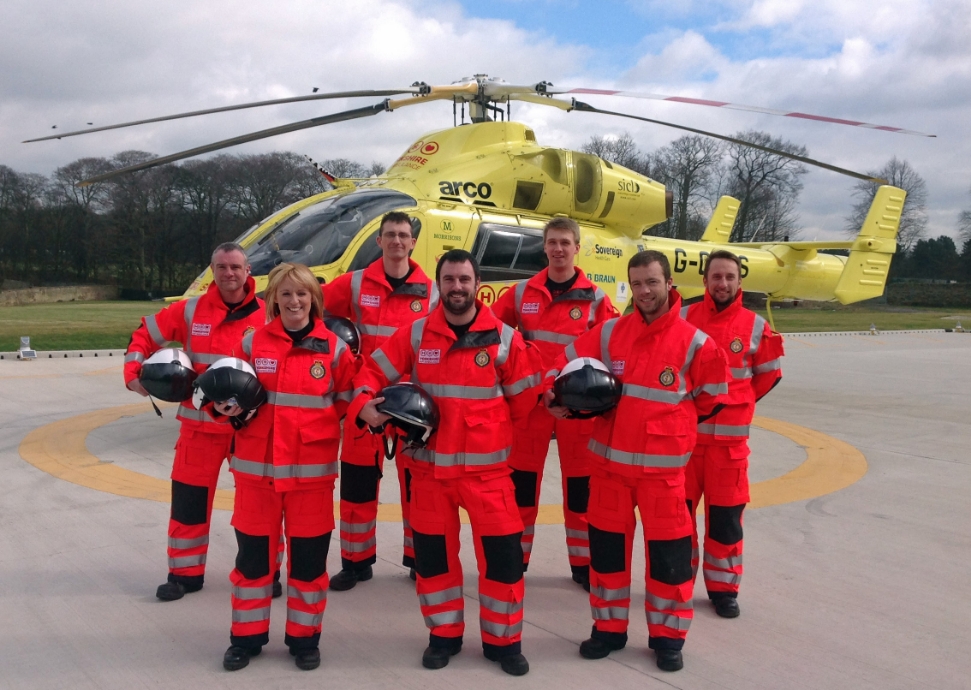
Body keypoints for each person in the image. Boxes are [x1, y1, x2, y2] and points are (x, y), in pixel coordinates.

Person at [349, 250, 541, 676]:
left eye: (465, 279)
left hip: (488, 476)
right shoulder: (416, 335)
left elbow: (524, 400)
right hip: (428, 473)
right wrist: (364, 405)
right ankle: (443, 636)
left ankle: (503, 642)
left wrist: (488, 432)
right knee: (434, 561)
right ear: (439, 285)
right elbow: (369, 374)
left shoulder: (504, 339)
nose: (457, 287)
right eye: (450, 279)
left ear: (477, 284)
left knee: (504, 561)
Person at [548, 250, 730, 672]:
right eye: (637, 284)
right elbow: (562, 362)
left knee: (669, 561)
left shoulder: (696, 343)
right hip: (609, 473)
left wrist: (670, 431)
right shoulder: (610, 333)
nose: (644, 291)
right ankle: (607, 630)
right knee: (607, 559)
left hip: (664, 478)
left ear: (669, 284)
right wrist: (551, 393)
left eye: (652, 282)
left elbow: (711, 399)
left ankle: (668, 638)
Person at [219, 262, 358, 671]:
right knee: (253, 563)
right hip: (257, 475)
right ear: (273, 299)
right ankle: (245, 639)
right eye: (285, 294)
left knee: (309, 565)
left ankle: (304, 639)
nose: (294, 301)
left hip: (310, 479)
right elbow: (225, 393)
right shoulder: (251, 344)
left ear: (314, 299)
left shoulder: (333, 349)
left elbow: (351, 399)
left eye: (302, 294)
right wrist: (222, 409)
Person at [124, 242, 265, 601]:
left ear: (248, 271)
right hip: (198, 429)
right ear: (212, 271)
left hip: (247, 429)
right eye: (221, 267)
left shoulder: (269, 314)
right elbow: (144, 332)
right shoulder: (189, 311)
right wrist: (133, 371)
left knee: (257, 506)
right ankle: (184, 573)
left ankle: (263, 570)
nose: (229, 273)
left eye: (235, 267)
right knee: (188, 502)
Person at [492, 217, 617, 590]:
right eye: (552, 242)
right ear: (543, 247)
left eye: (565, 242)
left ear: (578, 248)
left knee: (581, 491)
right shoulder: (520, 294)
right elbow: (489, 329)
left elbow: (614, 348)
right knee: (521, 488)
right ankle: (517, 559)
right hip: (532, 407)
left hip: (576, 411)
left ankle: (582, 565)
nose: (558, 249)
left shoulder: (596, 299)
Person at [322, 211, 438, 590]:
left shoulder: (433, 291)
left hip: (411, 405)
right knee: (357, 485)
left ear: (413, 242)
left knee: (417, 487)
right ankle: (356, 561)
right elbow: (311, 304)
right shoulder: (355, 284)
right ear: (379, 240)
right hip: (366, 400)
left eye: (403, 235)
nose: (397, 242)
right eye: (390, 235)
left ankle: (418, 559)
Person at [681, 250, 784, 618]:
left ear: (739, 281)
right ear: (705, 281)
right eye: (715, 277)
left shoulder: (755, 325)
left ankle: (723, 590)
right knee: (678, 521)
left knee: (725, 522)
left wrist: (738, 404)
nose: (722, 284)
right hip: (685, 446)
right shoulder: (683, 318)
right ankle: (677, 584)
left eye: (729, 277)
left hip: (729, 449)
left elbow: (768, 375)